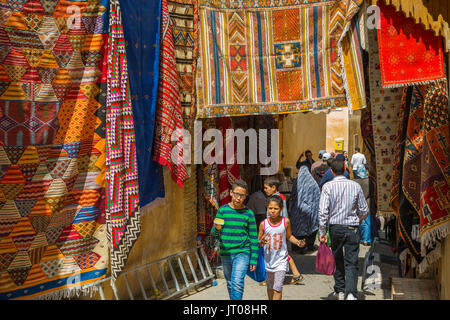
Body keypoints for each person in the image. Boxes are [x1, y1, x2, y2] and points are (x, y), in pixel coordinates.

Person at [318, 159, 369, 300]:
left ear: (332, 171)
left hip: (335, 229)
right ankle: (351, 293)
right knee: (351, 262)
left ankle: (340, 290)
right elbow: (364, 210)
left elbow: (322, 212)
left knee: (337, 258)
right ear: (346, 170)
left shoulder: (327, 187)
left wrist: (323, 232)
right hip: (352, 228)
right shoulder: (355, 186)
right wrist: (357, 220)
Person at [211, 179, 258, 300]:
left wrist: (253, 259)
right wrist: (216, 228)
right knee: (231, 283)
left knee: (237, 282)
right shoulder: (222, 211)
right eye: (236, 194)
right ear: (231, 193)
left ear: (245, 196)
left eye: (242, 195)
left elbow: (253, 237)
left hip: (242, 252)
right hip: (226, 253)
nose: (238, 198)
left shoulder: (249, 214)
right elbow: (214, 233)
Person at [258, 195, 305, 300]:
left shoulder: (286, 222)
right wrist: (261, 241)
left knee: (278, 288)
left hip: (281, 260)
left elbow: (289, 236)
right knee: (270, 287)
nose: (273, 211)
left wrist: (298, 242)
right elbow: (258, 242)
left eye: (276, 208)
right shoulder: (263, 224)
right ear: (267, 208)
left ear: (281, 209)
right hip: (268, 261)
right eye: (270, 208)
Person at [263, 177, 303, 284]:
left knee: (279, 253)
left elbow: (282, 214)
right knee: (281, 253)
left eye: (266, 188)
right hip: (278, 229)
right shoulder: (280, 197)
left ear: (273, 187)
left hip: (277, 229)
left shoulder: (277, 199)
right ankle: (296, 274)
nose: (265, 190)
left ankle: (272, 278)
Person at [289, 165, 321, 253]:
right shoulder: (313, 183)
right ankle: (309, 245)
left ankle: (298, 247)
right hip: (310, 210)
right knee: (311, 228)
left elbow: (293, 195)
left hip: (298, 209)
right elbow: (318, 196)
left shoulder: (297, 182)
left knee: (298, 229)